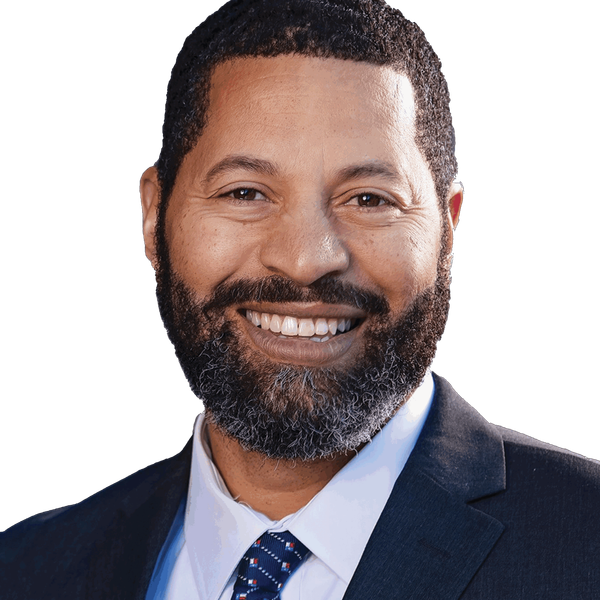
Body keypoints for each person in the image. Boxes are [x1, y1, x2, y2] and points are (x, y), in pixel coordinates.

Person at [2, 1, 598, 598]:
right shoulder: (25, 568)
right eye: (244, 193)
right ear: (154, 216)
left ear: (447, 230)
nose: (307, 260)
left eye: (369, 199)